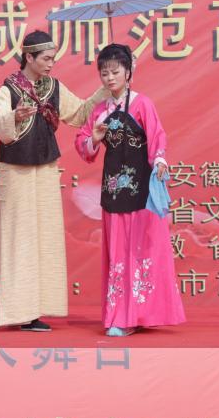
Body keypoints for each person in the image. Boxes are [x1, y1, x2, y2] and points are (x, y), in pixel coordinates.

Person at [0, 30, 107, 332]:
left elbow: (80, 113)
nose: (52, 64)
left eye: (53, 58)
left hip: (45, 168)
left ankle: (38, 310)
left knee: (46, 236)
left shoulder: (54, 87)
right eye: (47, 58)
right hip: (16, 170)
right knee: (19, 237)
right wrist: (14, 116)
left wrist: (106, 89)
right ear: (29, 57)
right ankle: (20, 311)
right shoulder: (10, 88)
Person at [74, 43, 185, 337]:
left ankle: (138, 315)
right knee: (118, 253)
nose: (109, 78)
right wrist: (94, 138)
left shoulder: (142, 104)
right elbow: (83, 145)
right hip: (113, 188)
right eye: (104, 73)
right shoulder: (100, 110)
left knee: (142, 251)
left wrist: (159, 161)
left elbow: (157, 137)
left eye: (115, 72)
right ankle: (120, 317)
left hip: (141, 189)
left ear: (128, 72)